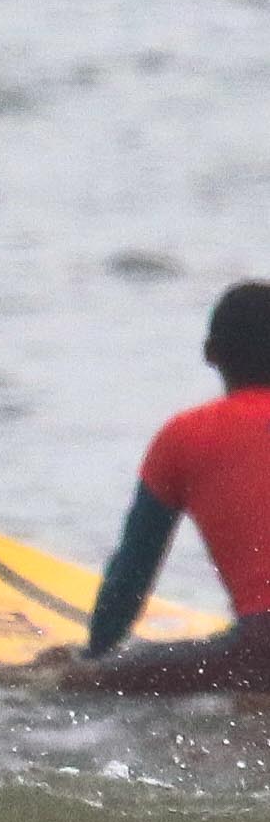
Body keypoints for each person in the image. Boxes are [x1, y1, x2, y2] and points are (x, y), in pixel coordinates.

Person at [49, 281, 270, 693]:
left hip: (258, 653)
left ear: (211, 353)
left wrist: (96, 661)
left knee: (72, 682)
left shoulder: (185, 437)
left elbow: (131, 575)